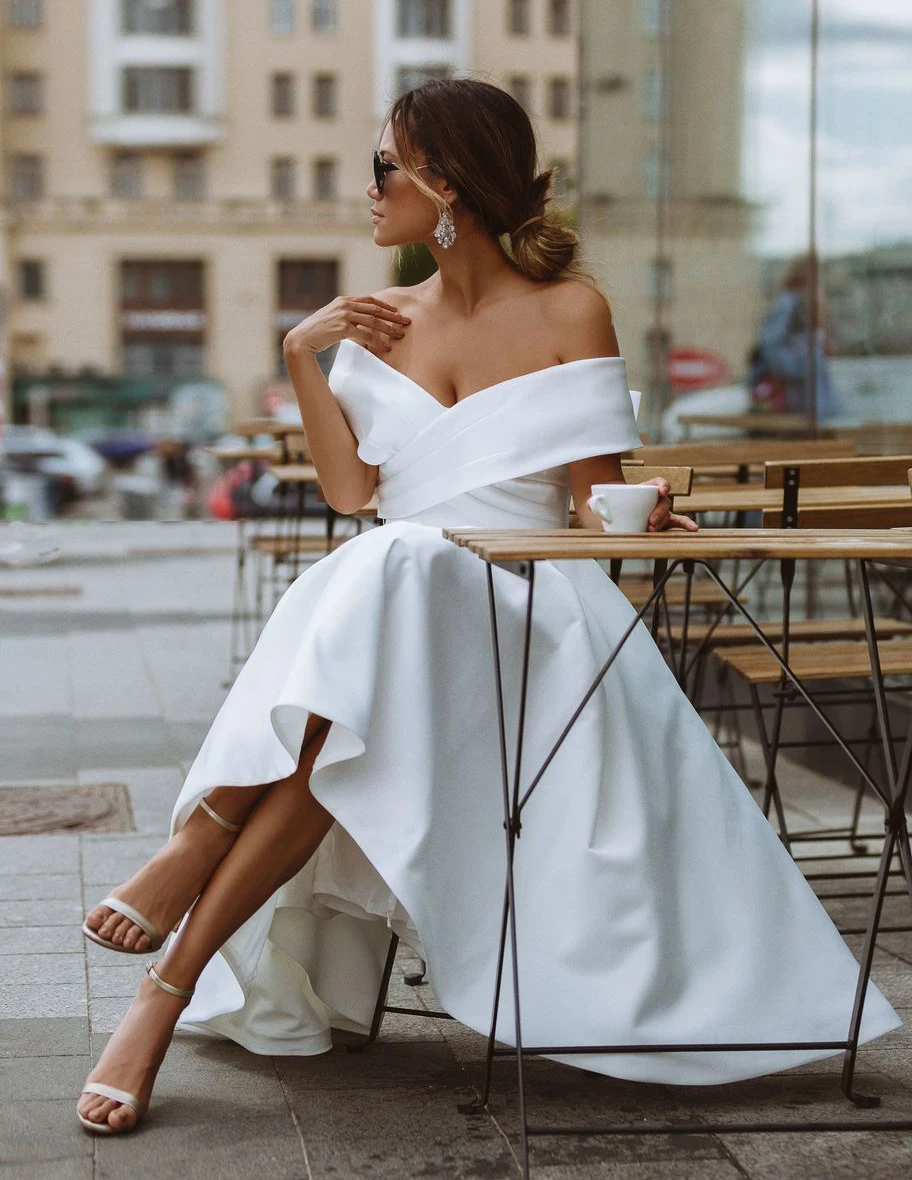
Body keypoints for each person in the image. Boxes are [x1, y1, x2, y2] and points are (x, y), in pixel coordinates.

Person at [77, 79, 898, 1135]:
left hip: (532, 609)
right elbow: (349, 496)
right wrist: (302, 353)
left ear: (445, 183)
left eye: (383, 167)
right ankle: (167, 987)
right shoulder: (375, 324)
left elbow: (593, 509)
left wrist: (640, 522)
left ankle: (195, 865)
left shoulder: (571, 309)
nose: (365, 188)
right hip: (400, 616)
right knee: (398, 577)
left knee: (398, 578)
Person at [747, 252, 842, 421]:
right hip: (796, 395)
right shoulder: (788, 303)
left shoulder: (801, 301)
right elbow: (771, 345)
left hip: (808, 399)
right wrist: (802, 363)